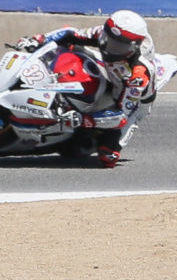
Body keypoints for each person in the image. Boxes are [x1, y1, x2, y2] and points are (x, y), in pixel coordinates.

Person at [14, 10, 159, 168]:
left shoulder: (138, 76)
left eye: (116, 46)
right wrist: (40, 39)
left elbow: (121, 115)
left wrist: (85, 120)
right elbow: (70, 33)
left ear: (133, 48)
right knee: (70, 46)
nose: (108, 47)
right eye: (107, 39)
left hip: (131, 98)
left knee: (108, 157)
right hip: (111, 70)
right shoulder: (106, 34)